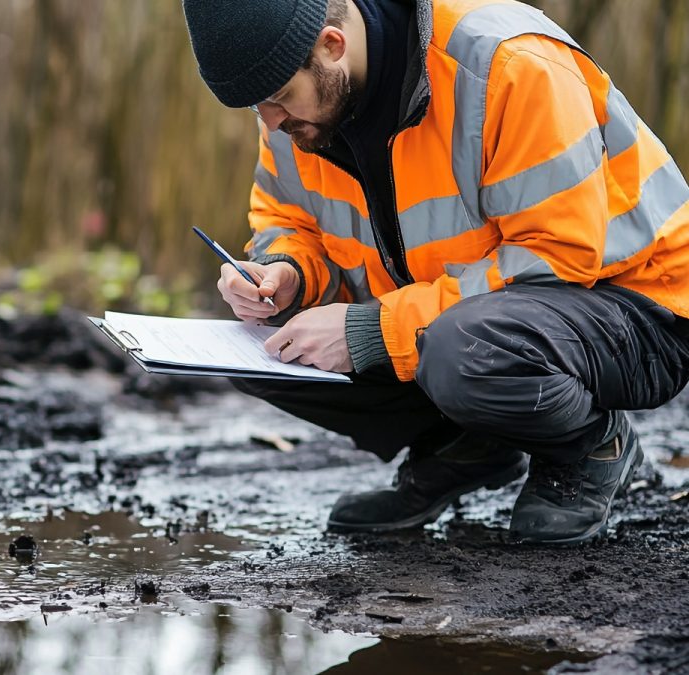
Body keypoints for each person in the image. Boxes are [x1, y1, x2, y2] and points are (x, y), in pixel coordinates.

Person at [182, 0, 689, 544]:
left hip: (639, 307)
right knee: (262, 341)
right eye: (256, 106)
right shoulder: (299, 109)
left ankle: (589, 446)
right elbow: (288, 220)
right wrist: (284, 273)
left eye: (279, 97)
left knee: (459, 347)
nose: (271, 122)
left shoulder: (507, 65)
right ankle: (467, 447)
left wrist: (373, 330)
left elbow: (557, 258)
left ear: (332, 45)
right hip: (471, 318)